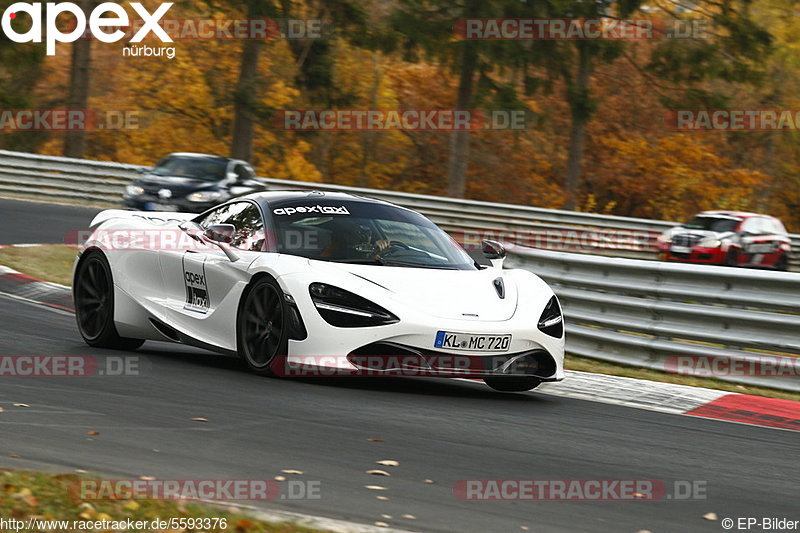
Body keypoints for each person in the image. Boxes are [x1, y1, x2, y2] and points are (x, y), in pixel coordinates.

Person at [319, 219, 390, 259]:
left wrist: (381, 248)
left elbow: (384, 262)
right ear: (346, 236)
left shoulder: (374, 252)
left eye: (368, 233)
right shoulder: (334, 249)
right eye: (360, 233)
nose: (365, 237)